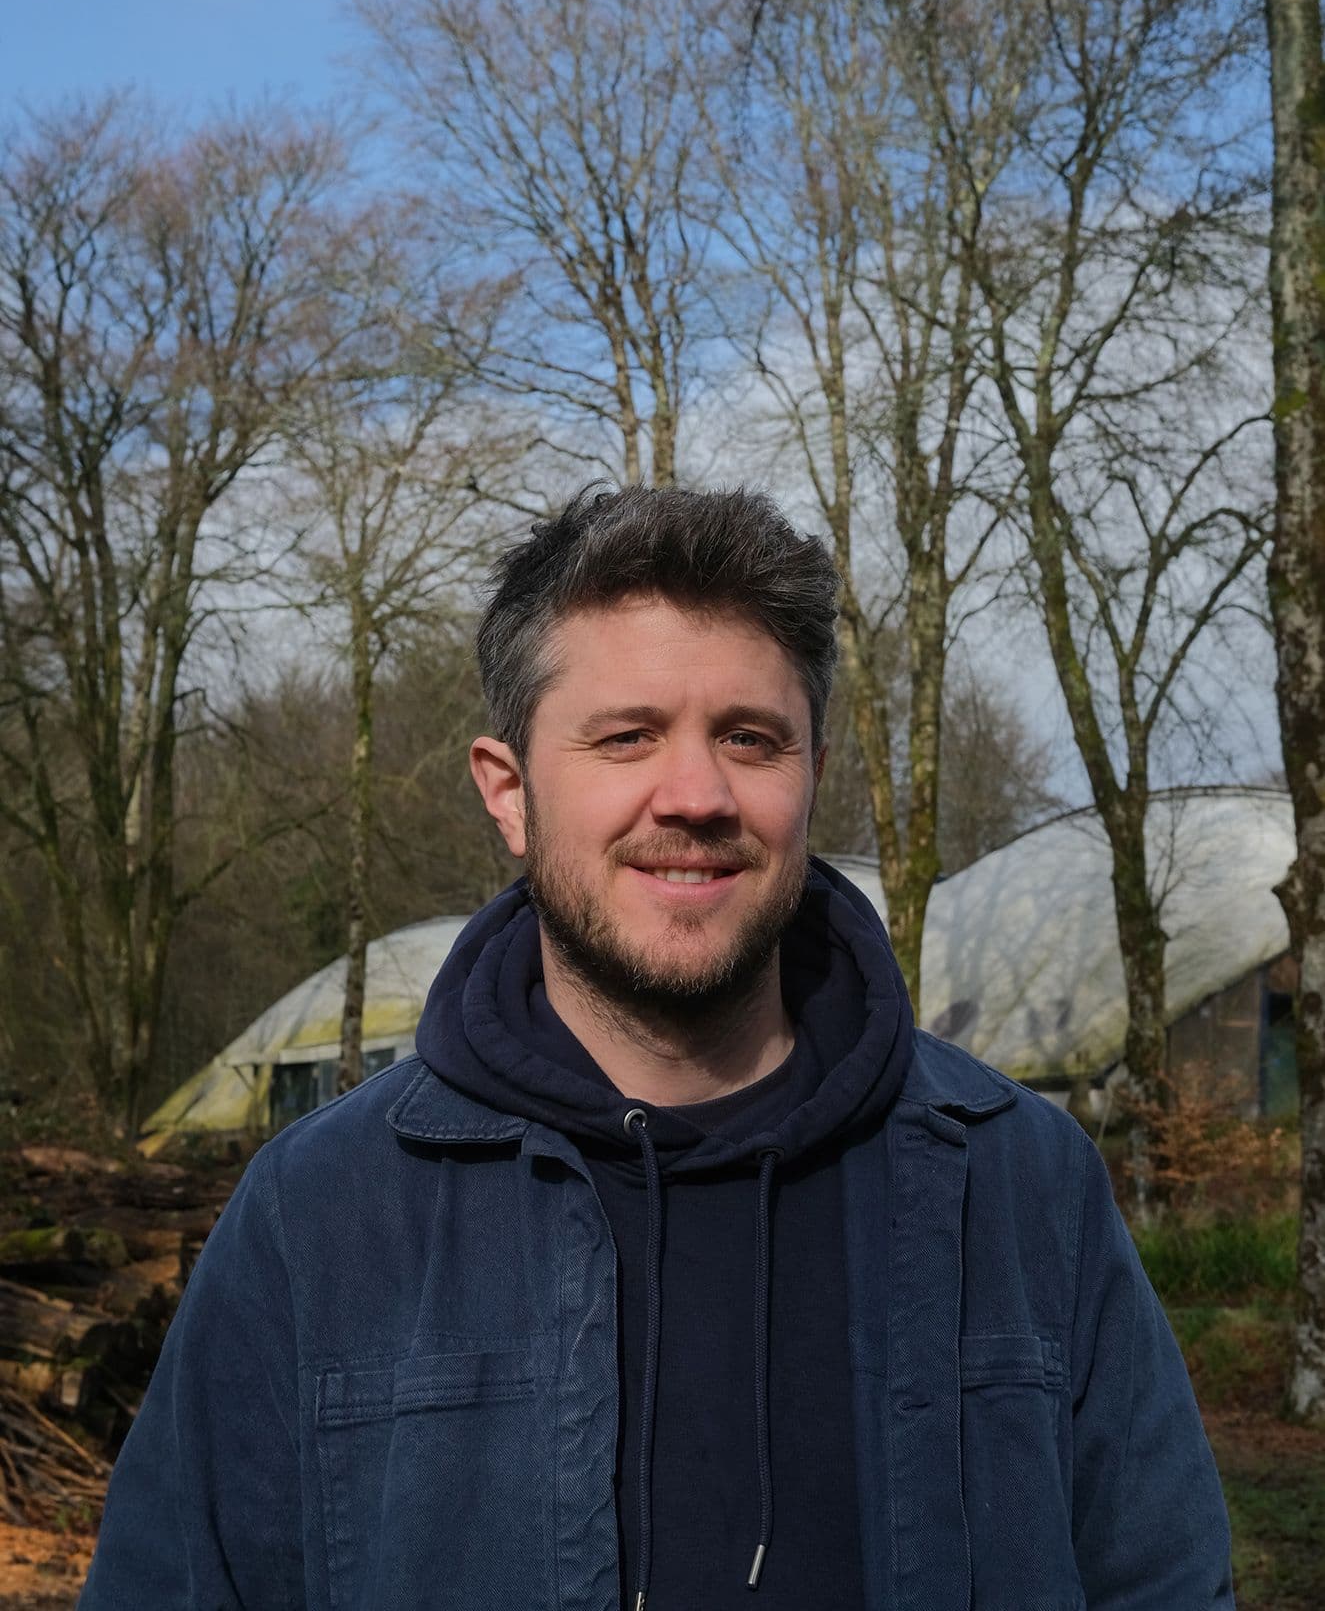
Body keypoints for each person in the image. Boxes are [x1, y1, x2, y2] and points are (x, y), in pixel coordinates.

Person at [80, 484, 1233, 1610]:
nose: (694, 794)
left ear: (811, 776)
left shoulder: (1019, 1183)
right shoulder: (325, 1213)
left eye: (750, 738)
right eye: (626, 737)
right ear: (509, 791)